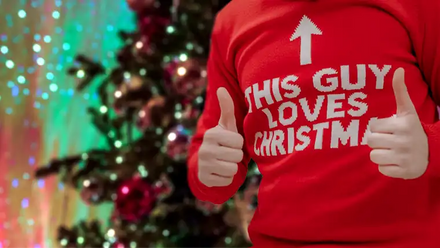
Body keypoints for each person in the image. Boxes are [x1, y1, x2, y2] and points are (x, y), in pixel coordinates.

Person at [187, 0, 440, 247]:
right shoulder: (232, 22)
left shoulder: (417, 6)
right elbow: (210, 171)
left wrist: (430, 149)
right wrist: (210, 167)